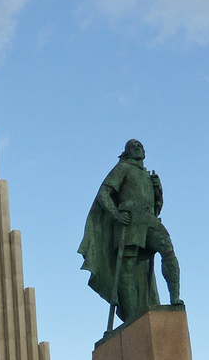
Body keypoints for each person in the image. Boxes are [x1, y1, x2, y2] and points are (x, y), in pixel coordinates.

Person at [78, 139, 182, 325]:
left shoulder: (148, 176)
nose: (137, 149)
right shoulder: (123, 168)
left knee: (168, 251)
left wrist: (158, 191)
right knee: (128, 266)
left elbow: (156, 207)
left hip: (149, 220)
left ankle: (175, 298)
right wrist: (116, 214)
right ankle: (132, 316)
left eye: (140, 146)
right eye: (132, 147)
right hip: (130, 222)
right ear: (126, 153)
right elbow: (104, 194)